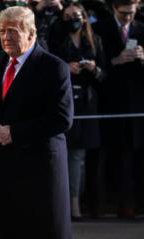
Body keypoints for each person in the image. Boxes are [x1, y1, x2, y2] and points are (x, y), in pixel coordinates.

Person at [0, 6, 73, 239]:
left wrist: (16, 133)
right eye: (2, 31)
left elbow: (62, 119)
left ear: (31, 32)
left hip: (36, 170)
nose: (6, 37)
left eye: (13, 31)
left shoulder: (53, 68)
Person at [94, 0, 144, 219]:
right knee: (108, 154)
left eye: (131, 13)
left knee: (134, 155)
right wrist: (116, 61)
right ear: (113, 8)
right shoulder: (99, 29)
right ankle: (102, 202)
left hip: (137, 106)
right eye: (123, 14)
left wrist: (143, 59)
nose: (128, 17)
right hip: (110, 103)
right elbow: (95, 66)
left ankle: (132, 202)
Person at [48, 2, 106, 220]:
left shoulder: (95, 40)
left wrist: (93, 67)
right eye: (69, 15)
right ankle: (72, 203)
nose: (73, 18)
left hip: (89, 102)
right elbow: (49, 66)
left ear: (84, 17)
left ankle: (86, 201)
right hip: (66, 100)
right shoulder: (57, 40)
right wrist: (66, 67)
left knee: (85, 155)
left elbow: (104, 74)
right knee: (72, 154)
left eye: (77, 15)